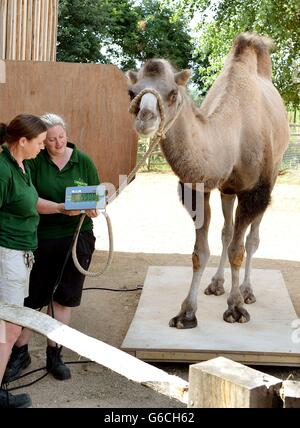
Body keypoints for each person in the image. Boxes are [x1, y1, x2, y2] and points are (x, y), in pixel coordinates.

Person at [3, 113, 100, 384]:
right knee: (32, 300)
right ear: (41, 141)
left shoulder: (84, 161)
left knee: (63, 299)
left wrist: (95, 204)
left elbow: (98, 192)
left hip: (77, 237)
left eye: (61, 137)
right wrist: (60, 207)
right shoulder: (34, 161)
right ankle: (19, 353)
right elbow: (29, 200)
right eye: (51, 140)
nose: (57, 143)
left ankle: (54, 353)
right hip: (42, 238)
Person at [0, 114, 47, 408]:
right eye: (40, 142)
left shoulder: (21, 166)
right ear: (23, 141)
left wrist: (63, 207)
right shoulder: (3, 170)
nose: (42, 148)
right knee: (10, 327)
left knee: (9, 325)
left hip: (20, 254)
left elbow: (30, 202)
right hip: (8, 254)